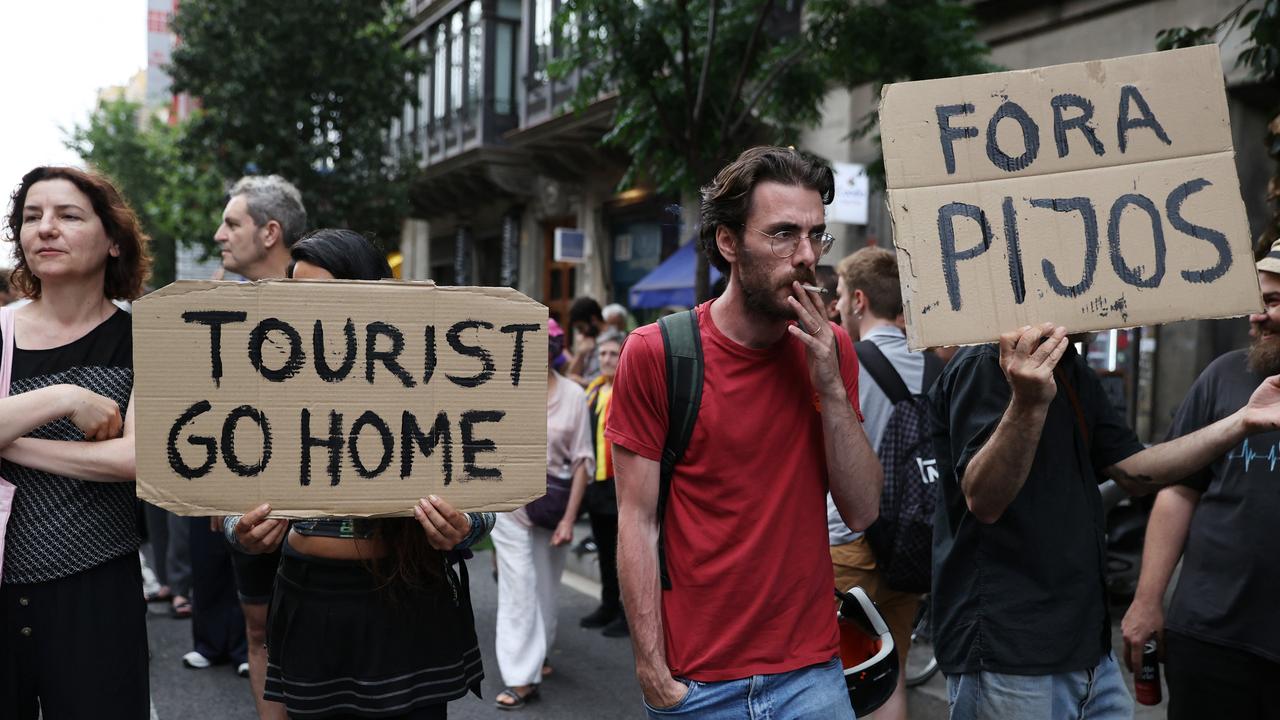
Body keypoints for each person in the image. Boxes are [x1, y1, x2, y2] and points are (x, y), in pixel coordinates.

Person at [608, 146, 882, 718]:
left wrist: (830, 385)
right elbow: (636, 520)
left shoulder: (835, 354)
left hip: (812, 676)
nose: (807, 257)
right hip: (699, 685)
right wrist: (653, 670)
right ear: (729, 242)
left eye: (817, 236)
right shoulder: (657, 354)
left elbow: (861, 511)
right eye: (783, 234)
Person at [929, 312, 1280, 718]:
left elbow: (1135, 471)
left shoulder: (1070, 368)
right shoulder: (985, 362)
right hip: (1012, 653)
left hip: (1085, 649)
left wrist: (1242, 421)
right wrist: (1027, 403)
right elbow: (984, 500)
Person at [228, 228, 490, 718]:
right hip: (307, 601)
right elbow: (227, 494)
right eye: (297, 296)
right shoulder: (265, 384)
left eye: (327, 295)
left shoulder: (427, 378)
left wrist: (465, 524)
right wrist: (241, 530)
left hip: (403, 603)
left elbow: (483, 492)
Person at [0, 166, 150, 717]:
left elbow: (137, 457)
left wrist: (11, 441)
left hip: (97, 587)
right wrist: (64, 396)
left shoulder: (148, 338)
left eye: (68, 215)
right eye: (31, 217)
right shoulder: (0, 332)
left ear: (113, 241)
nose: (45, 228)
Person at [1120, 249, 1280, 719]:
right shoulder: (1224, 375)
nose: (1255, 315)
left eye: (1272, 301)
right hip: (1211, 635)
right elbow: (1178, 490)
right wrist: (1147, 601)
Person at [207, 175, 307, 718]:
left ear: (270, 232)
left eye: (231, 223)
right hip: (250, 508)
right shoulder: (218, 313)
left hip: (326, 511)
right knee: (260, 628)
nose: (219, 235)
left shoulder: (330, 297)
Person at [828, 247, 925, 720]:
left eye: (842, 295)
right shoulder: (934, 364)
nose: (837, 305)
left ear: (860, 300)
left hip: (847, 542)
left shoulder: (845, 361)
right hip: (910, 543)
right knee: (891, 674)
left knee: (828, 679)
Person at [492, 318, 593, 709]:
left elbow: (584, 461)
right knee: (519, 589)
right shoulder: (506, 392)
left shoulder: (574, 396)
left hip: (553, 507)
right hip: (511, 508)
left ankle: (538, 651)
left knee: (547, 590)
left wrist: (569, 519)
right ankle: (521, 678)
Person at [580, 330, 628, 638]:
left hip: (622, 483)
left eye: (613, 353)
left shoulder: (627, 389)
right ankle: (609, 604)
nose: (606, 359)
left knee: (626, 554)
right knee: (605, 548)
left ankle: (627, 614)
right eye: (602, 354)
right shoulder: (594, 391)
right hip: (597, 485)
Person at [567, 296, 606, 386]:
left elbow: (608, 382)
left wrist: (581, 381)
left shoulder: (613, 342)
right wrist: (581, 353)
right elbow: (571, 374)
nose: (581, 333)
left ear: (593, 320)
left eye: (581, 327)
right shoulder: (590, 340)